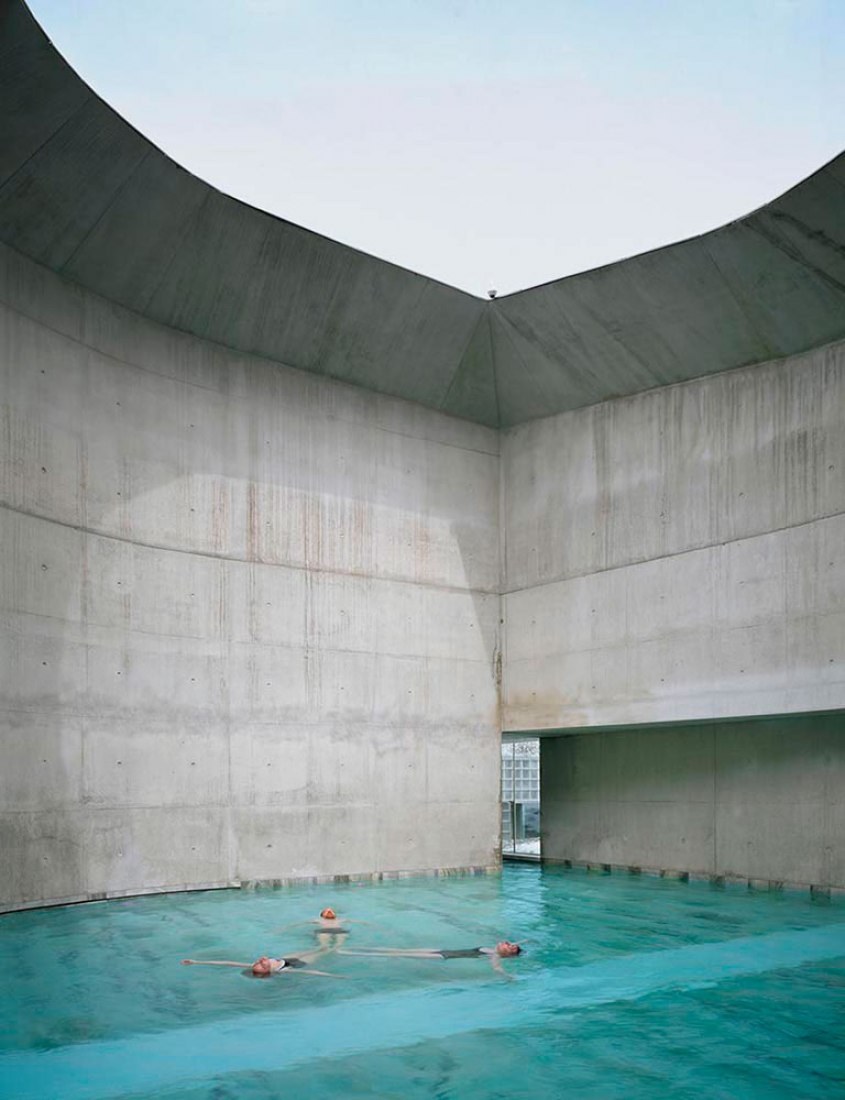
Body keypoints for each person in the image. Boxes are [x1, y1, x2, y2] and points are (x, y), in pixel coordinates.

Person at [339, 940, 522, 977]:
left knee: (396, 954)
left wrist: (509, 977)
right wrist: (521, 945)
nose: (508, 943)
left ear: (507, 953)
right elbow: (518, 945)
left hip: (445, 957)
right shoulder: (492, 949)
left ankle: (350, 953)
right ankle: (359, 947)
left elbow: (496, 968)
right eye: (510, 943)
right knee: (400, 949)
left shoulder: (495, 955)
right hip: (445, 949)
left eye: (510, 946)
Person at [180, 945, 343, 979]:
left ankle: (323, 947)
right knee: (321, 954)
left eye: (258, 961)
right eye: (263, 963)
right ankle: (332, 950)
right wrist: (333, 976)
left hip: (285, 957)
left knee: (314, 948)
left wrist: (197, 962)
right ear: (267, 971)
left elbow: (227, 962)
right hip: (293, 964)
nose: (262, 959)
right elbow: (309, 972)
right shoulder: (281, 971)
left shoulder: (253, 967)